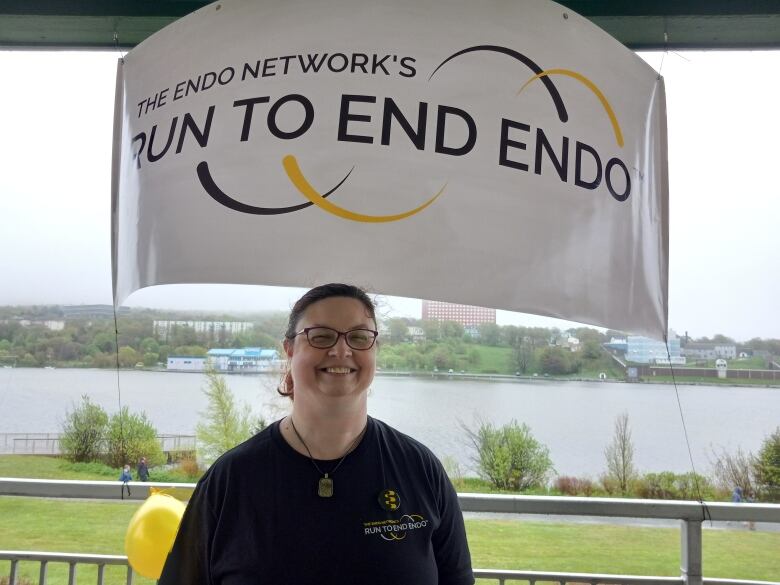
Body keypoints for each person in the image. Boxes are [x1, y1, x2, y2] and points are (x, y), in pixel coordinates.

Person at [159, 283, 474, 585]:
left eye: (359, 337)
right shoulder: (230, 481)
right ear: (289, 350)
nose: (341, 350)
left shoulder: (421, 470)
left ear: (375, 349)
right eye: (321, 337)